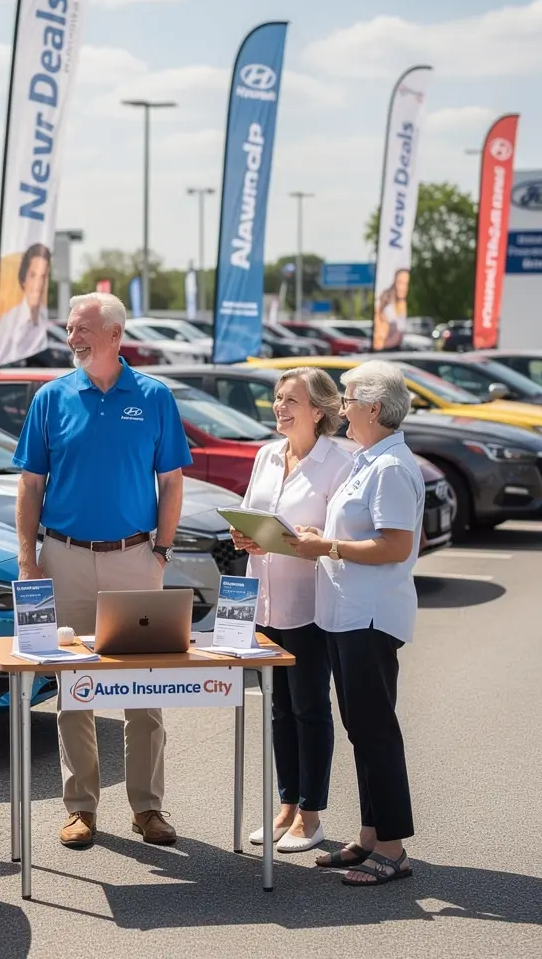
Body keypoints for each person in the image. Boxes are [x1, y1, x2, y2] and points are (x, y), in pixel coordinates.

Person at [13, 291, 193, 848]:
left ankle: (147, 808)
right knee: (74, 687)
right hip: (63, 557)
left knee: (144, 686)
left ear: (115, 334)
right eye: (69, 330)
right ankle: (81, 807)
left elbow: (172, 482)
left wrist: (160, 551)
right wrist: (27, 558)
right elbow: (30, 484)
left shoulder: (155, 396)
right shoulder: (52, 397)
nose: (72, 339)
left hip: (136, 559)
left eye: (81, 329)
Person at [285, 359, 424, 886]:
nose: (341, 408)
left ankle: (392, 848)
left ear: (372, 407)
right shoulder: (370, 458)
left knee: (375, 731)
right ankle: (371, 835)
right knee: (361, 730)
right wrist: (316, 537)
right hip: (347, 615)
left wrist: (327, 545)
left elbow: (395, 544)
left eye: (346, 399)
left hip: (369, 616)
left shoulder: (389, 466)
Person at [230, 368, 353, 854]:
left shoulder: (337, 463)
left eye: (291, 401)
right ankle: (286, 805)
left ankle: (312, 816)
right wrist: (242, 535)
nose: (279, 407)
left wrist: (308, 541)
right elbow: (249, 513)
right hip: (263, 602)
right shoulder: (266, 454)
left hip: (309, 605)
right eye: (278, 399)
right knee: (279, 708)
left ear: (318, 411)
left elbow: (336, 535)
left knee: (309, 708)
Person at [0, 243, 51, 366]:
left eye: (43, 277)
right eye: (33, 276)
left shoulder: (43, 319)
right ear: (23, 280)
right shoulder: (8, 322)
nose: (38, 285)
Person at [373, 268, 409, 350]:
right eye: (400, 282)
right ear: (395, 283)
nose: (403, 287)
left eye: (405, 283)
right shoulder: (385, 308)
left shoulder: (401, 306)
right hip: (385, 349)